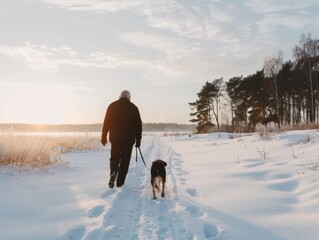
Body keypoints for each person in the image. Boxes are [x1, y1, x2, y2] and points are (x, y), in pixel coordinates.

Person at [101, 90, 142, 188]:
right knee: (125, 160)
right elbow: (138, 125)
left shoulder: (112, 106)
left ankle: (113, 172)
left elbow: (106, 122)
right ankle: (120, 182)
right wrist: (138, 139)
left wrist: (103, 136)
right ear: (129, 97)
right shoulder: (134, 108)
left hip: (115, 138)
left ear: (120, 96)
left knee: (114, 157)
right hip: (128, 140)